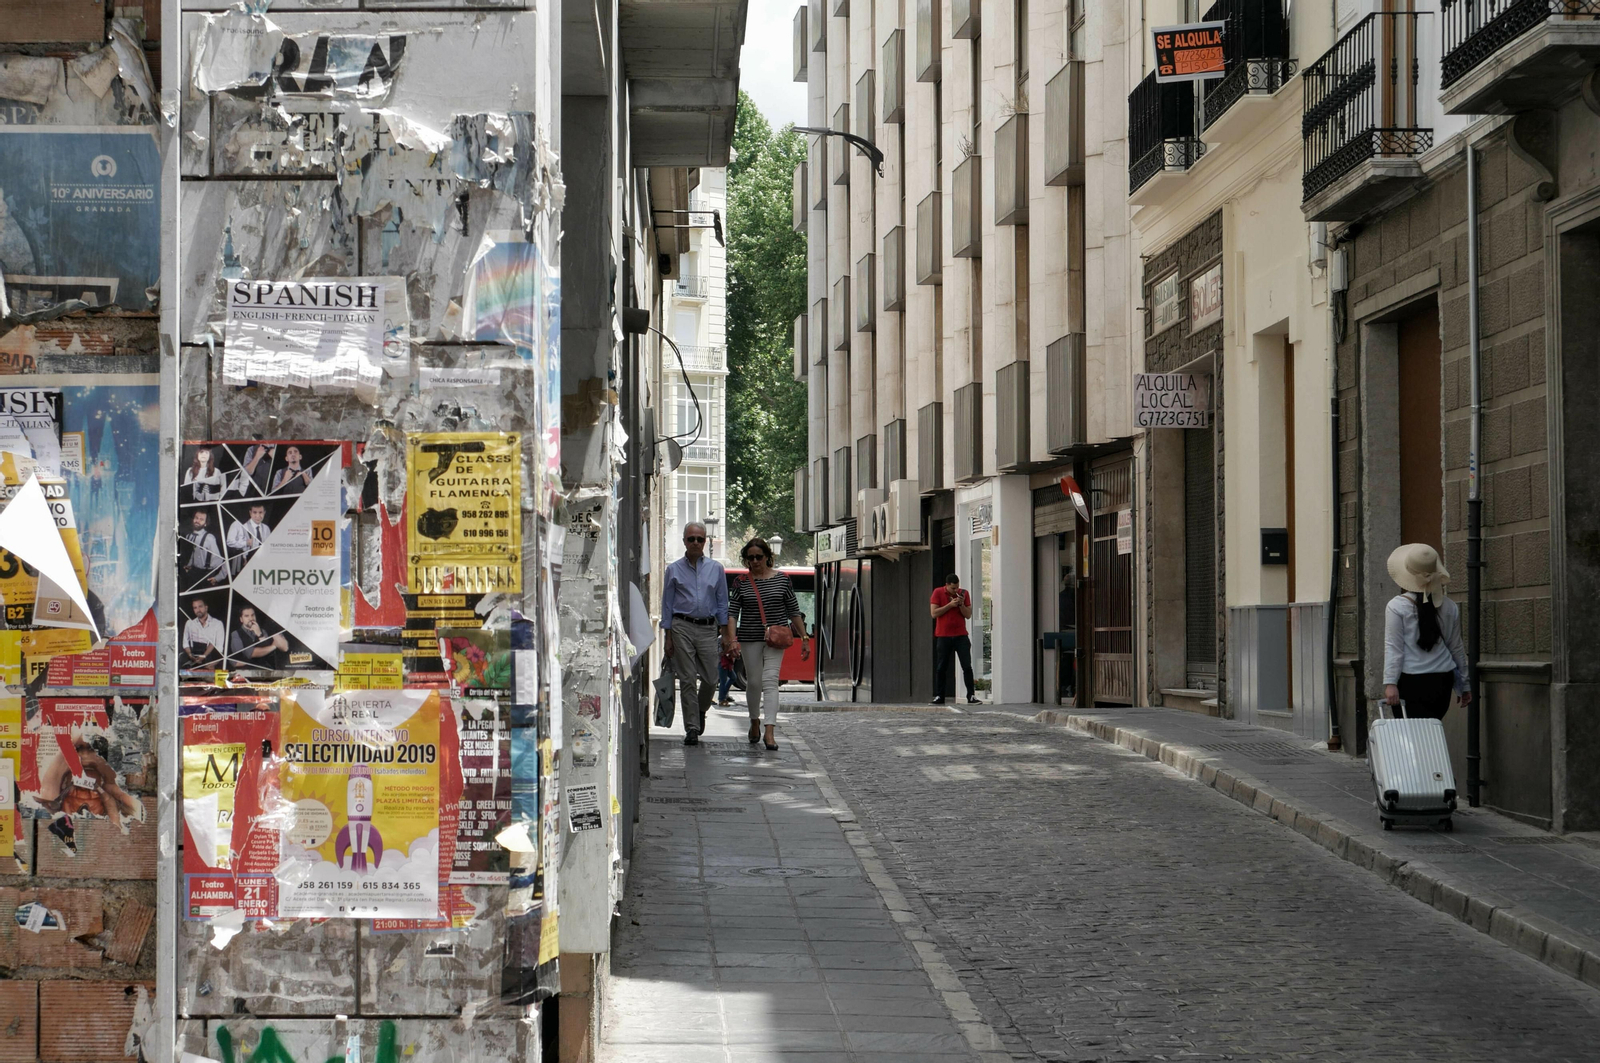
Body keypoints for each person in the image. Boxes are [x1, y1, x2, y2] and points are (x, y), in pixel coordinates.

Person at [660, 522, 735, 745]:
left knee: (712, 678)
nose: (695, 543)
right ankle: (691, 728)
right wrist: (668, 637)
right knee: (687, 679)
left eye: (699, 539)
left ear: (705, 541)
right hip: (681, 626)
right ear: (684, 541)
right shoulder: (673, 569)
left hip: (708, 628)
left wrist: (726, 634)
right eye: (691, 539)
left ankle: (701, 710)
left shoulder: (716, 568)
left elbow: (722, 602)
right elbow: (667, 605)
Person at [729, 539, 808, 750]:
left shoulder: (782, 579)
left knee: (771, 680)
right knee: (754, 682)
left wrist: (804, 638)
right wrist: (732, 639)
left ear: (767, 557)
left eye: (759, 557)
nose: (755, 561)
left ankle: (770, 731)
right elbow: (732, 613)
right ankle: (754, 720)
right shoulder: (740, 582)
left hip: (776, 637)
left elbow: (793, 610)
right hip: (750, 637)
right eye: (750, 558)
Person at [1383, 543, 1471, 720]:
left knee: (1410, 734)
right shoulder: (1449, 607)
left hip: (1411, 682)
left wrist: (1390, 683)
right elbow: (1456, 648)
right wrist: (1465, 684)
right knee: (1431, 732)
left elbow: (1394, 648)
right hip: (1442, 681)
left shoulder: (1396, 606)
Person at [930, 573, 978, 705]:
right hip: (943, 636)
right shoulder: (938, 592)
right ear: (946, 585)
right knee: (942, 667)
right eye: (953, 588)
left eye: (957, 587)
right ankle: (939, 696)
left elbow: (968, 615)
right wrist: (950, 605)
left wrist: (961, 604)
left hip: (961, 635)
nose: (955, 590)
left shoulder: (964, 593)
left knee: (966, 666)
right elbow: (934, 613)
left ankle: (971, 695)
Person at [181, 509, 226, 588]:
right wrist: (189, 565)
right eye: (196, 518)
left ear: (205, 524)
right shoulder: (188, 536)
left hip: (205, 575)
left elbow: (222, 560)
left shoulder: (209, 538)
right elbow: (192, 553)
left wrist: (218, 577)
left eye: (201, 519)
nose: (197, 521)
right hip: (192, 574)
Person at [226, 503, 272, 575]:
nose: (258, 516)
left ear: (264, 513)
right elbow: (230, 542)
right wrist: (246, 543)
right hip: (243, 561)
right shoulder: (240, 524)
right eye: (255, 512)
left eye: (260, 512)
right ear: (250, 513)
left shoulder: (266, 528)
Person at [183, 597, 226, 671]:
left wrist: (213, 663)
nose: (198, 610)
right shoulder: (189, 623)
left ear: (206, 607)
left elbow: (219, 647)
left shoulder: (217, 624)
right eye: (195, 608)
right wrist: (190, 654)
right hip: (193, 658)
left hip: (211, 658)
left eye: (200, 606)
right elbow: (185, 643)